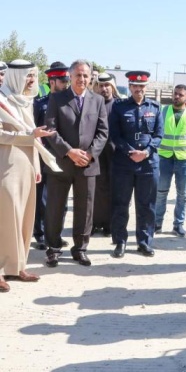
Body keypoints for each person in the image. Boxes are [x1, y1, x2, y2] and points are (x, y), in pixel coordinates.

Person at [44, 60, 109, 268]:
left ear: (91, 78)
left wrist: (89, 154)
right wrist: (69, 152)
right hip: (62, 163)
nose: (82, 79)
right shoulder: (57, 99)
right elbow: (50, 130)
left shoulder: (97, 100)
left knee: (85, 209)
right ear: (70, 77)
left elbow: (103, 132)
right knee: (55, 207)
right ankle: (53, 249)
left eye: (86, 76)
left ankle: (80, 249)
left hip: (87, 165)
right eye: (78, 75)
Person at [0, 59, 56, 292]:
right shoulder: (3, 101)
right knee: (6, 218)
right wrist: (28, 135)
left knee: (24, 216)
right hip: (6, 165)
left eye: (33, 76)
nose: (31, 80)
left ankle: (18, 266)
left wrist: (36, 166)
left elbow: (35, 138)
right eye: (27, 76)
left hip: (26, 166)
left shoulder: (25, 101)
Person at [110, 70, 163, 258]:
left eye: (142, 86)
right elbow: (114, 134)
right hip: (124, 163)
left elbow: (159, 135)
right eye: (135, 86)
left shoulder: (155, 107)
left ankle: (144, 242)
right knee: (120, 204)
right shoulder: (119, 107)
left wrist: (146, 152)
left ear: (146, 87)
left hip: (148, 164)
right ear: (130, 87)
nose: (138, 89)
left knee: (146, 205)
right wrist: (130, 152)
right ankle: (120, 242)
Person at [32, 62, 71, 250]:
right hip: (42, 156)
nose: (66, 84)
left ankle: (56, 235)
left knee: (61, 201)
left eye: (67, 80)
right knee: (42, 199)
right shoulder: (39, 104)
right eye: (63, 80)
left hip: (62, 157)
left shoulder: (69, 103)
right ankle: (40, 234)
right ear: (52, 81)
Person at [155, 84, 186, 237]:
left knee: (183, 195)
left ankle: (178, 225)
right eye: (175, 94)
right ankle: (157, 223)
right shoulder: (163, 111)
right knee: (161, 192)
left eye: (181, 95)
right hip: (164, 157)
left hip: (184, 160)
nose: (177, 97)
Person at [92, 73, 121, 236]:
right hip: (96, 153)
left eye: (107, 85)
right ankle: (96, 222)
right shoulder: (93, 104)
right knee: (96, 188)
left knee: (114, 189)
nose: (104, 89)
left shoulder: (119, 105)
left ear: (112, 87)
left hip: (115, 153)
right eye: (101, 86)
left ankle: (110, 224)